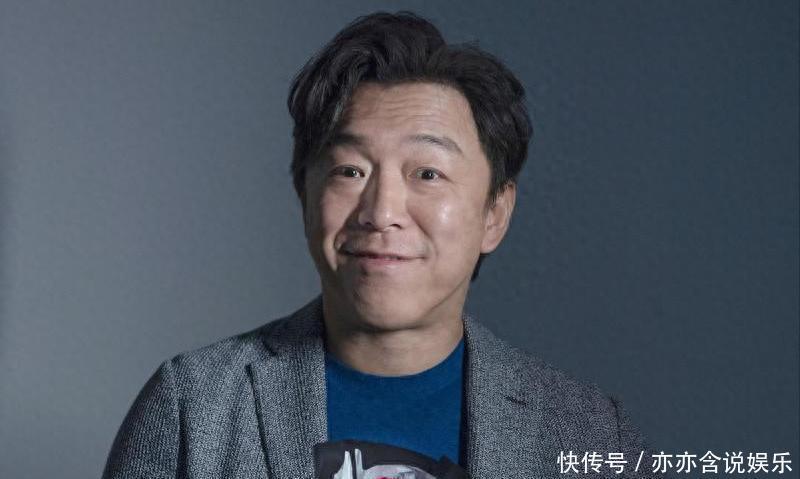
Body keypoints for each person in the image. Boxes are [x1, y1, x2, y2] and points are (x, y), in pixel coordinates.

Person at [103, 11, 652, 479]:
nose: (382, 211)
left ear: (495, 213)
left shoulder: (587, 432)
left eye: (427, 173)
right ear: (304, 193)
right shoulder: (192, 407)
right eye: (350, 170)